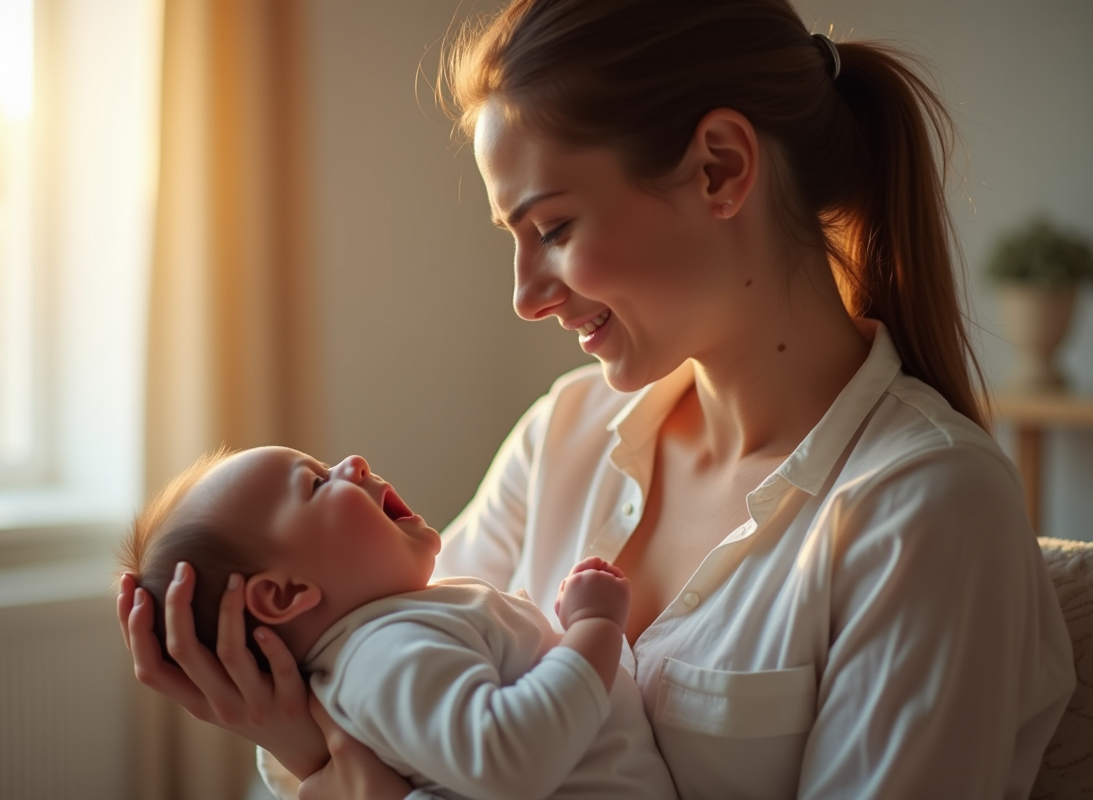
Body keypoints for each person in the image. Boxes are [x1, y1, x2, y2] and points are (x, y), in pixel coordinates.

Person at [119, 0, 1076, 797]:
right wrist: (299, 746)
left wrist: (340, 758)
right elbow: (392, 671)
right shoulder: (561, 438)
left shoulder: (925, 509)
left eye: (555, 227)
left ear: (721, 170)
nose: (526, 294)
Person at [118, 445, 679, 800]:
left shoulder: (392, 635)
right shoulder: (383, 652)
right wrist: (594, 629)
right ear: (284, 594)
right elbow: (508, 760)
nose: (353, 463)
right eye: (316, 483)